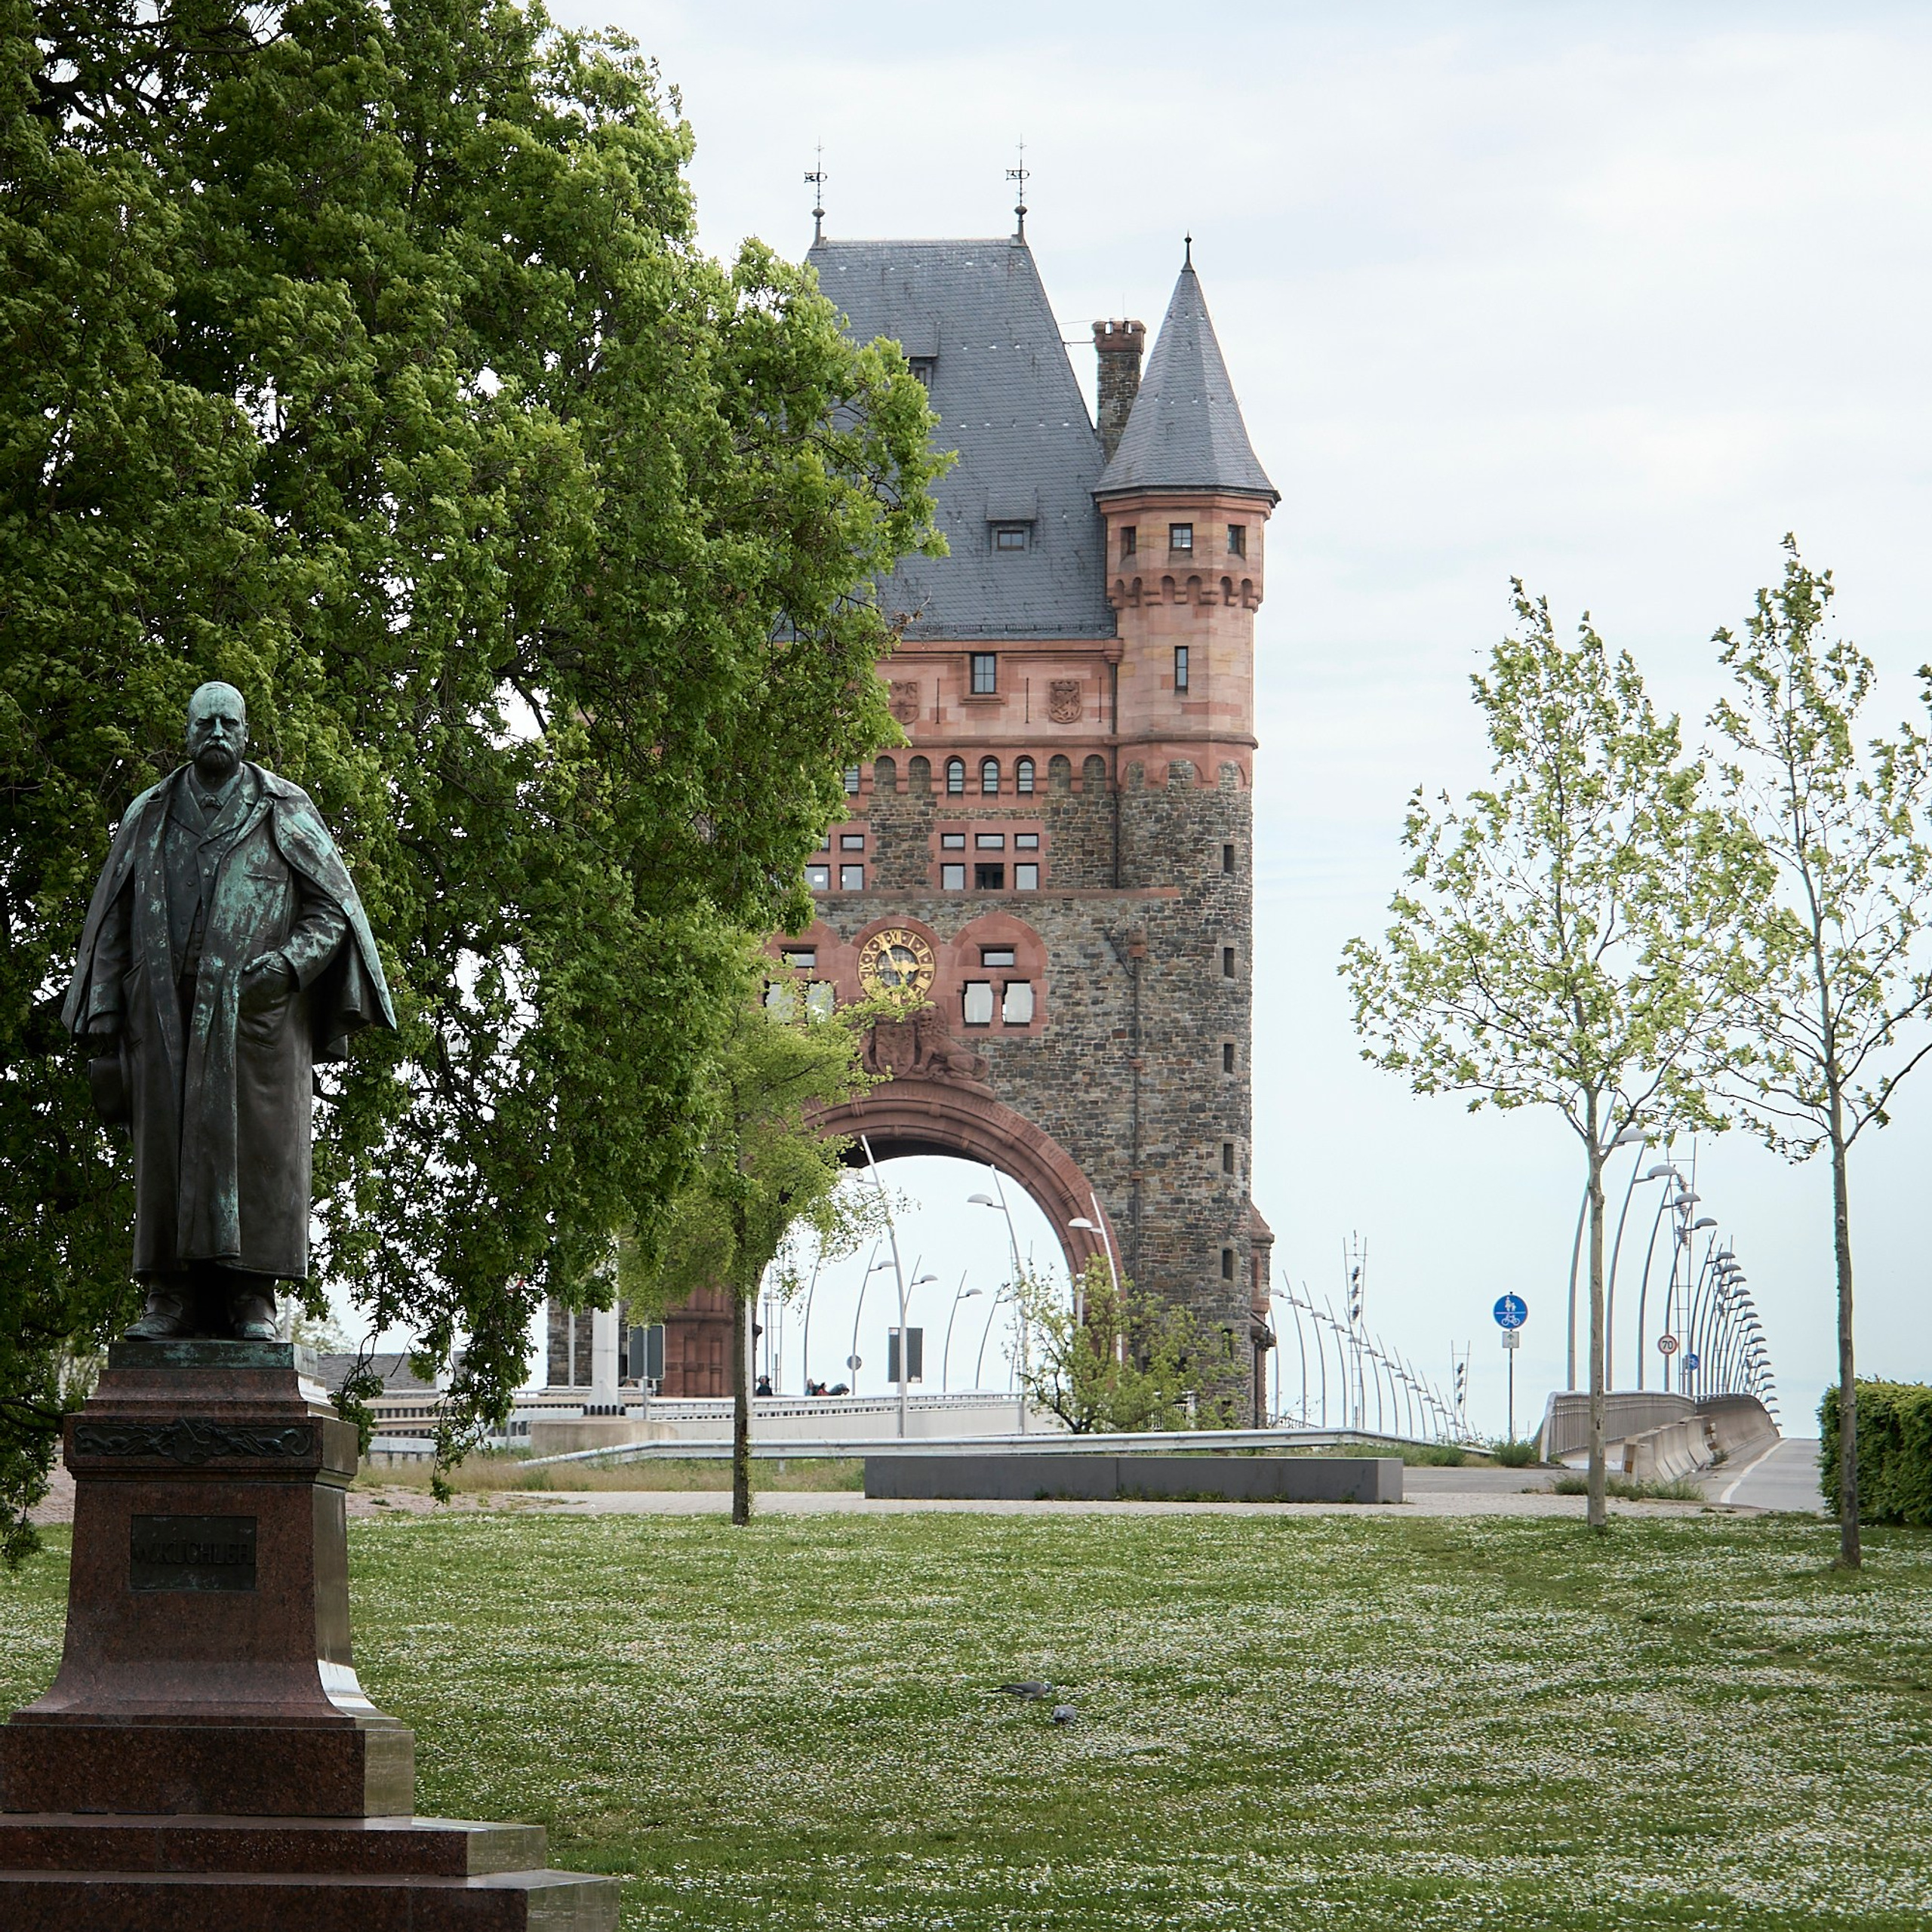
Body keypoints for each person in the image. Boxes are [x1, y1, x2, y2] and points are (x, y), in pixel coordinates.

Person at [63, 682, 395, 1340]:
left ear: (246, 734)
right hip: (163, 1012)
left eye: (228, 723)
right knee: (165, 1155)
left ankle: (253, 1299)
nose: (216, 733)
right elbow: (114, 918)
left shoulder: (283, 808)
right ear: (187, 733)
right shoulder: (149, 813)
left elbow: (333, 910)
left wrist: (290, 966)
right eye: (205, 723)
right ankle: (167, 1298)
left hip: (257, 1018)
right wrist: (103, 1008)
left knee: (259, 1160)